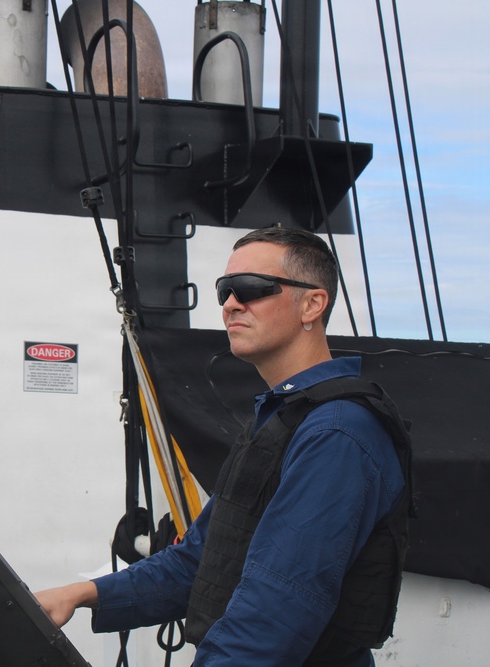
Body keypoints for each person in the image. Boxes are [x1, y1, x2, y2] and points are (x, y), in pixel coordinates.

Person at [36, 227, 411, 666]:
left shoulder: (335, 433)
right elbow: (198, 560)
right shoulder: (283, 417)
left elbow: (276, 609)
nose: (232, 303)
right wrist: (84, 593)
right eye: (224, 290)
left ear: (312, 304)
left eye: (251, 288)